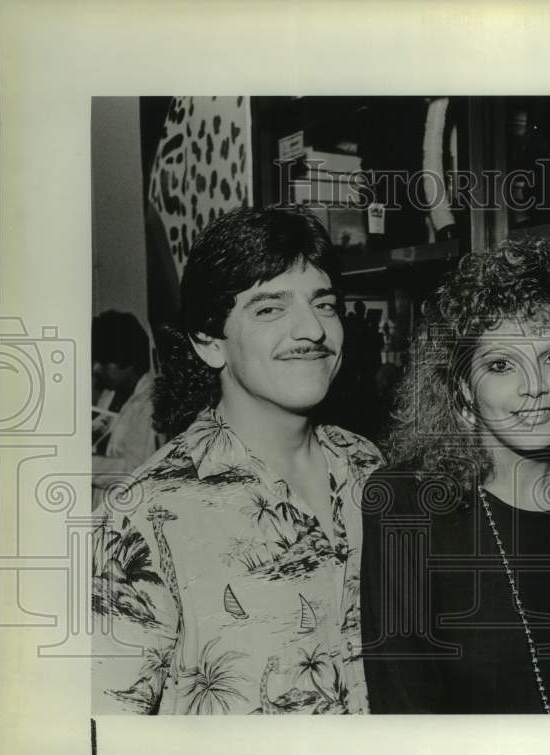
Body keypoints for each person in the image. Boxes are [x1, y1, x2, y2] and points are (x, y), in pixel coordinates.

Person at [91, 206, 382, 714]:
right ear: (208, 344)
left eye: (325, 303)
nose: (311, 329)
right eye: (269, 309)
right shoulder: (140, 518)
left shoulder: (367, 465)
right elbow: (100, 744)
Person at [361, 238, 550, 714]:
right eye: (500, 365)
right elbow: (405, 715)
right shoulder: (406, 505)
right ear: (463, 389)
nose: (535, 386)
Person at [91, 311, 162, 506]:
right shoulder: (109, 395)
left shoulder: (151, 404)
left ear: (127, 362)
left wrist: (83, 463)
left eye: (103, 362)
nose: (95, 369)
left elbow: (133, 469)